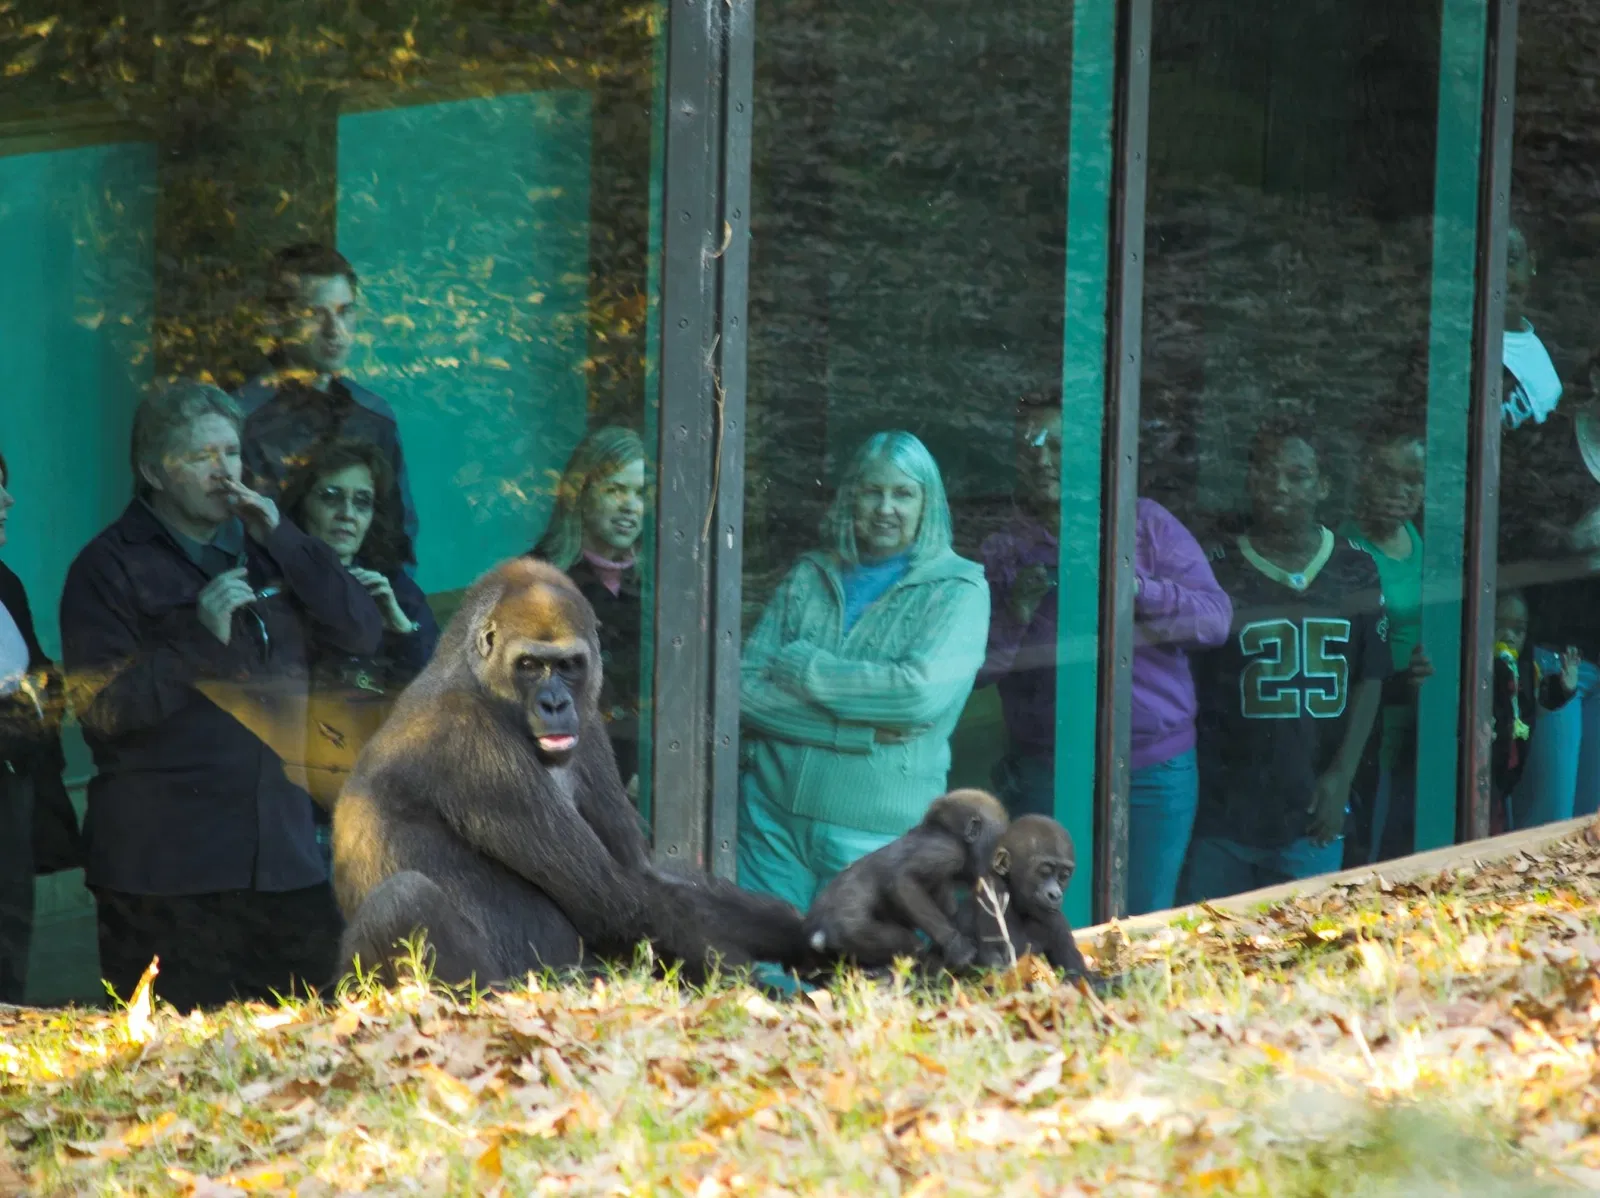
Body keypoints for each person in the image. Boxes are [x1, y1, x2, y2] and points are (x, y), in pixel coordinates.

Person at [60, 382, 384, 1011]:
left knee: (309, 1058)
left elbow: (359, 630)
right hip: (169, 874)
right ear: (154, 471)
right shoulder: (105, 568)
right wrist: (196, 642)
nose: (224, 471)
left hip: (284, 860)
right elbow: (101, 714)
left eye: (231, 453)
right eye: (201, 457)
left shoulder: (268, 550)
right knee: (173, 1075)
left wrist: (283, 533)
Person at [979, 394, 1232, 914]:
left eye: (1057, 445)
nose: (1042, 458)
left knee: (1143, 914)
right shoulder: (1006, 550)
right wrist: (1017, 611)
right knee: (1045, 916)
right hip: (1047, 768)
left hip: (1153, 769)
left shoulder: (1144, 525)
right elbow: (976, 670)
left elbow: (1215, 621)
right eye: (1030, 446)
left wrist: (1139, 589)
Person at [738, 431, 989, 910]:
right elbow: (742, 689)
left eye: (903, 493)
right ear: (851, 497)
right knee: (760, 974)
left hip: (875, 837)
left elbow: (914, 696)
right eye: (872, 491)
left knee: (856, 978)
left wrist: (808, 670)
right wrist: (854, 734)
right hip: (770, 822)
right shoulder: (810, 575)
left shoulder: (959, 590)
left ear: (927, 504)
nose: (885, 507)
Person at [1180, 422, 1391, 901]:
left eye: (1296, 475)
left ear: (1323, 485)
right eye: (1267, 472)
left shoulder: (1354, 567)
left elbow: (1371, 676)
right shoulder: (1216, 567)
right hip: (1224, 808)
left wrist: (1341, 776)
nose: (1279, 485)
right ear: (1249, 479)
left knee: (1303, 946)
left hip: (1312, 804)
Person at [280, 439, 439, 854]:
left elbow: (439, 704)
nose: (347, 514)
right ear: (303, 504)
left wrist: (402, 630)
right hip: (293, 813)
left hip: (376, 810)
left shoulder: (397, 590)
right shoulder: (276, 585)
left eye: (362, 502)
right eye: (331, 497)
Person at [235, 243, 418, 559]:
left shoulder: (374, 417)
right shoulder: (240, 419)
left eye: (345, 312)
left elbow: (397, 540)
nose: (335, 330)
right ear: (275, 320)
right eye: (315, 314)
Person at [0, 452, 84, 1003]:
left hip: (15, 795)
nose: (8, 502)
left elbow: (37, 675)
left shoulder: (6, 583)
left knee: (8, 952)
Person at [529, 427, 648, 791]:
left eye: (640, 493)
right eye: (615, 489)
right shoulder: (538, 579)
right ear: (580, 495)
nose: (630, 504)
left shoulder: (659, 585)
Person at [1338, 426, 1435, 863]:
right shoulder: (1343, 548)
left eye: (1413, 480)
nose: (1401, 491)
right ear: (1363, 475)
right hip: (1366, 733)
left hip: (1422, 731)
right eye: (1388, 477)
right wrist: (1399, 684)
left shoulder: (1423, 539)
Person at [1491, 590, 1578, 833]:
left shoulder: (1526, 669)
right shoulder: (1478, 667)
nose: (1508, 636)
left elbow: (1533, 707)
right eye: (1499, 626)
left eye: (1518, 630)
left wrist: (1563, 688)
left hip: (1508, 773)